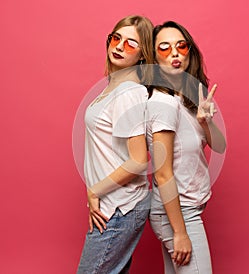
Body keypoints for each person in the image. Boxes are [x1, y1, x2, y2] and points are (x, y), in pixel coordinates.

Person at [146, 21, 226, 273]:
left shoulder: (186, 98)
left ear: (189, 52)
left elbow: (220, 146)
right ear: (153, 57)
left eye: (181, 46)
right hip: (178, 212)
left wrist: (206, 121)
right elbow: (162, 172)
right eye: (164, 48)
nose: (174, 53)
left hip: (184, 208)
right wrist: (179, 232)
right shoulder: (163, 103)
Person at [77, 15, 153, 274]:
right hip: (114, 204)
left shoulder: (129, 92)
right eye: (116, 38)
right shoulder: (113, 86)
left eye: (131, 44)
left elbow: (139, 160)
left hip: (120, 206)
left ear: (143, 54)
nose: (119, 46)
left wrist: (95, 191)